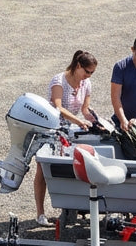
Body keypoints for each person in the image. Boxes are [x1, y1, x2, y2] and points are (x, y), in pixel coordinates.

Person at [35, 50, 97, 226]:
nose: (88, 76)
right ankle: (40, 213)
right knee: (43, 169)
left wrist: (95, 120)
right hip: (50, 127)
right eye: (87, 72)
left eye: (91, 73)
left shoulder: (87, 84)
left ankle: (68, 209)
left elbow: (86, 109)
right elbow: (58, 108)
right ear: (78, 66)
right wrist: (79, 121)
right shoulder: (59, 80)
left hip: (69, 129)